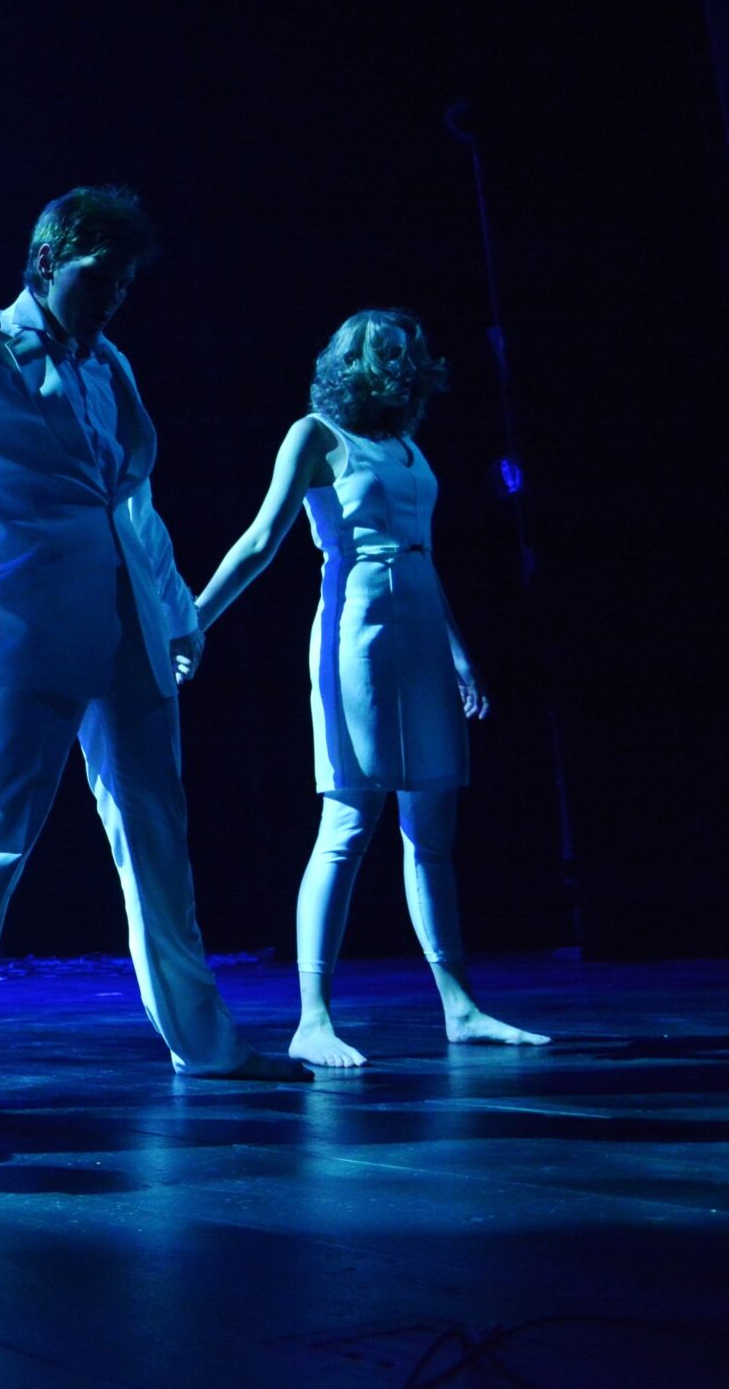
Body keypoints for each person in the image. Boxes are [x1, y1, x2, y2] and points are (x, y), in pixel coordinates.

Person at [0, 185, 308, 1118]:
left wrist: (179, 615)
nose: (117, 293)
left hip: (132, 631)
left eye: (129, 280)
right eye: (104, 273)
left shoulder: (112, 365)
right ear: (50, 259)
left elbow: (132, 505)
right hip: (29, 629)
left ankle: (204, 1044)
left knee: (158, 841)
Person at [189, 309, 547, 1066]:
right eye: (383, 350)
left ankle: (460, 1006)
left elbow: (423, 554)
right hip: (360, 632)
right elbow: (260, 542)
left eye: (406, 351)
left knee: (433, 833)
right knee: (350, 822)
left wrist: (458, 654)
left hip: (418, 631)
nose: (400, 360)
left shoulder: (408, 448)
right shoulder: (318, 436)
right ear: (348, 362)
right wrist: (191, 622)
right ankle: (311, 1017)